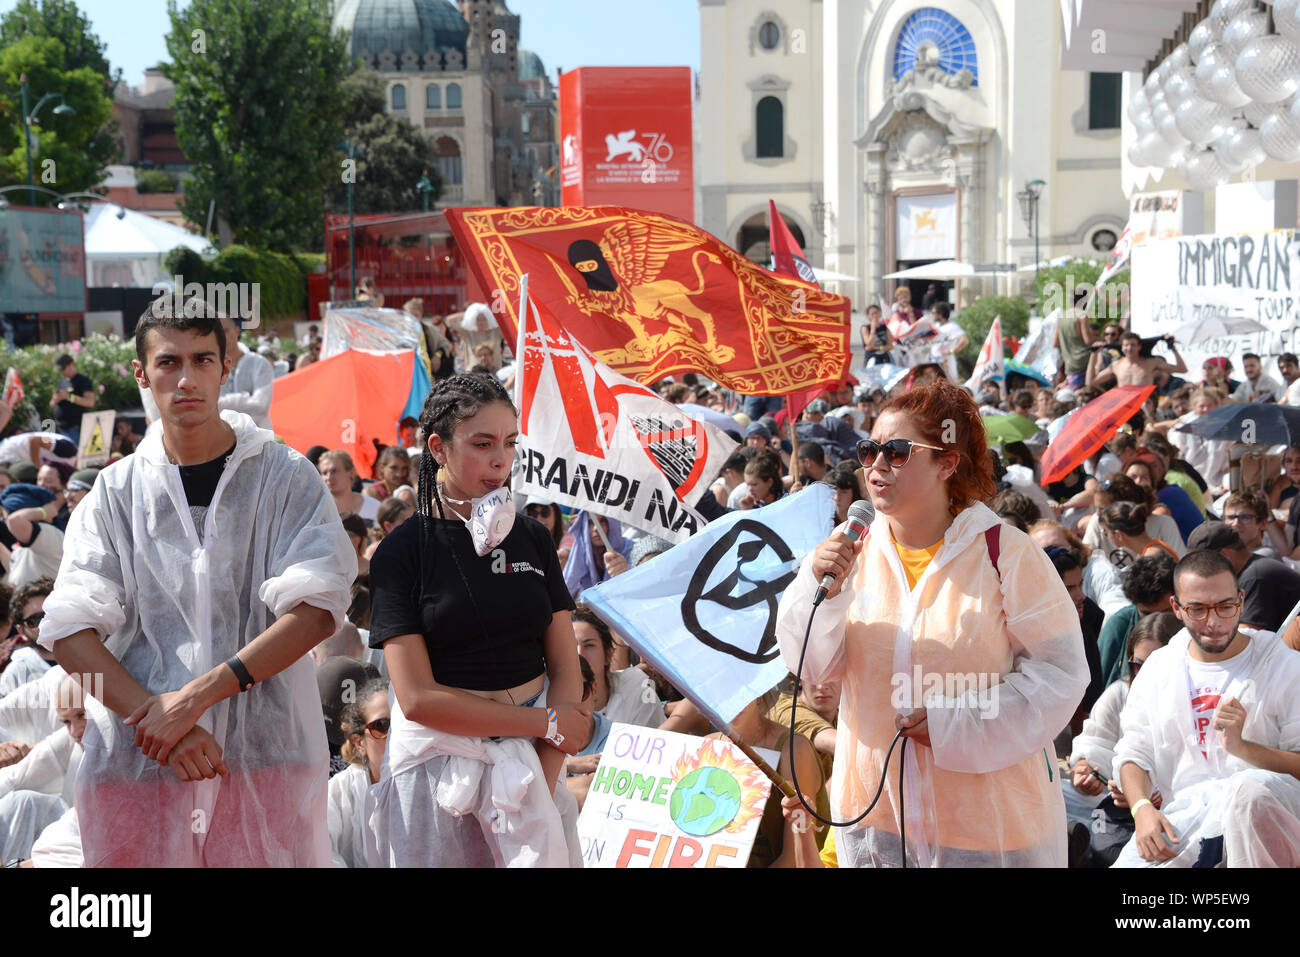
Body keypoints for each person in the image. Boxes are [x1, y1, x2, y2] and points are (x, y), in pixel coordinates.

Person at [38, 295, 356, 867]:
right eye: (168, 362)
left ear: (225, 367)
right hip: (138, 765)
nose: (186, 379)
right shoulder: (113, 495)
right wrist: (159, 721)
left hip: (263, 759)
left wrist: (196, 698)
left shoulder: (285, 479)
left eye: (203, 360)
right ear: (141, 373)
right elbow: (67, 634)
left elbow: (317, 609)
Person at [776, 378, 1089, 866]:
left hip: (984, 825)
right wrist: (824, 594)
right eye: (869, 449)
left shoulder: (1005, 553)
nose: (876, 465)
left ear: (947, 463)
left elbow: (1060, 676)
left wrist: (953, 721)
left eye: (897, 451)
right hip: (878, 818)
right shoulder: (848, 547)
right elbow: (809, 664)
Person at [365, 373, 588, 867]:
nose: (500, 460)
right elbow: (419, 698)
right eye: (482, 443)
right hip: (438, 778)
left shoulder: (532, 538)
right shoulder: (401, 554)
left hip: (534, 765)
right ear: (438, 449)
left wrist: (545, 766)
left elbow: (564, 663)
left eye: (509, 444)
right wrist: (544, 724)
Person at [1113, 550, 1300, 867]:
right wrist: (1142, 808)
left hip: (1270, 821)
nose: (1214, 623)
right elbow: (1133, 752)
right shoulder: (1160, 667)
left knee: (1248, 791)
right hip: (1187, 820)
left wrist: (1243, 748)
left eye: (1226, 607)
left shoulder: (1284, 665)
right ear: (1176, 608)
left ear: (1240, 600)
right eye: (1197, 610)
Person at [1066, 612, 1180, 867]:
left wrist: (1142, 797)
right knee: (1051, 797)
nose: (1144, 673)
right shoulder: (1119, 693)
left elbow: (1198, 776)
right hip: (1113, 802)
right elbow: (1094, 744)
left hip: (1172, 809)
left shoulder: (1189, 702)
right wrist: (1084, 770)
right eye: (1138, 665)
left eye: (1155, 664)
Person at [1186, 521, 1300, 633]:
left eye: (1201, 564)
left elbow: (1248, 636)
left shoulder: (1256, 576)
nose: (1198, 572)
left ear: (1224, 556)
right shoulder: (1249, 572)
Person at [328, 677, 389, 867]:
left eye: (404, 725)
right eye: (382, 725)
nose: (396, 735)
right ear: (359, 742)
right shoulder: (339, 792)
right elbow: (321, 855)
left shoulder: (436, 786)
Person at [1095, 551, 1176, 687]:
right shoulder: (1119, 626)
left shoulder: (1196, 628)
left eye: (1165, 613)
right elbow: (1099, 683)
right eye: (1146, 614)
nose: (1156, 622)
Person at [215, 314, 275, 431]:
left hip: (258, 438)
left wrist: (221, 403)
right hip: (220, 439)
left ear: (237, 331)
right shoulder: (208, 367)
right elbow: (206, 407)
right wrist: (246, 398)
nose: (221, 337)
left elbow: (260, 406)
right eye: (216, 333)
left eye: (225, 331)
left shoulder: (259, 364)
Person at [0, 578, 55, 699]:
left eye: (51, 614)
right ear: (21, 631)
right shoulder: (16, 674)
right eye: (35, 620)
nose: (45, 623)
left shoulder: (92, 655)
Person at [563, 511, 633, 598]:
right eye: (591, 522)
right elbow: (567, 587)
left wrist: (625, 574)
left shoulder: (632, 549)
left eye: (603, 521)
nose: (596, 528)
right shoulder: (579, 550)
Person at [1086, 332, 1186, 390]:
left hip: (1145, 404)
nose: (1129, 348)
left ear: (1139, 347)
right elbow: (1090, 382)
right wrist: (1093, 355)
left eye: (1133, 345)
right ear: (1122, 348)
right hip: (1125, 405)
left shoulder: (1151, 362)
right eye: (1126, 345)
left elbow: (1182, 369)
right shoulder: (1116, 365)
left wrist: (1172, 347)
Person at [1098, 502, 1180, 565]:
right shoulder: (1152, 549)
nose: (1107, 536)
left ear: (1118, 535)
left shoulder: (1151, 557)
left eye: (1105, 532)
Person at [318, 450, 381, 526]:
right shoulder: (317, 511)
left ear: (351, 473)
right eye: (324, 473)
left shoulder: (373, 506)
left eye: (334, 471)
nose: (329, 477)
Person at [50, 355, 94, 446]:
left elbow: (90, 402)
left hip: (75, 428)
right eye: (60, 370)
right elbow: (52, 404)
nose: (61, 372)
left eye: (63, 368)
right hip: (61, 427)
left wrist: (68, 397)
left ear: (72, 364)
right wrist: (55, 399)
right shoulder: (62, 381)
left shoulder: (82, 380)